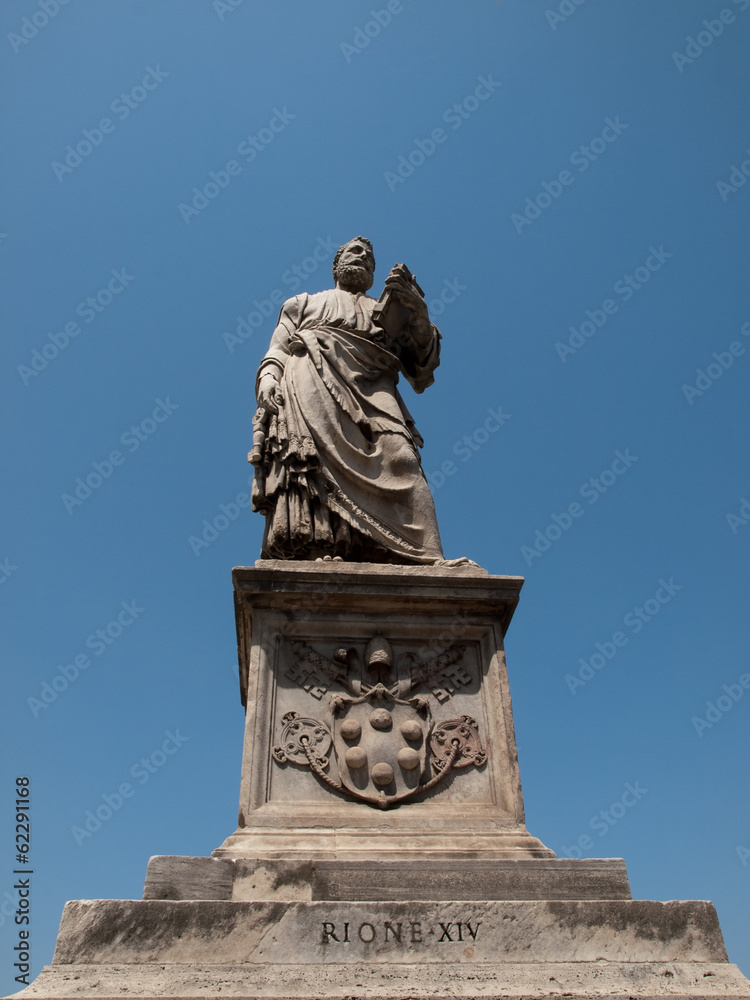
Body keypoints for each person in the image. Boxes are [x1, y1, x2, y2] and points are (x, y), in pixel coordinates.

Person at [251, 236, 451, 564]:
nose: (363, 258)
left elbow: (423, 368)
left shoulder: (385, 310)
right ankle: (326, 546)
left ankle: (427, 556)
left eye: (370, 258)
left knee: (402, 458)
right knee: (315, 461)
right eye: (354, 252)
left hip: (375, 385)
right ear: (336, 264)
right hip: (311, 375)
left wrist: (418, 313)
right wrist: (269, 378)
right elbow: (278, 347)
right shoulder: (301, 303)